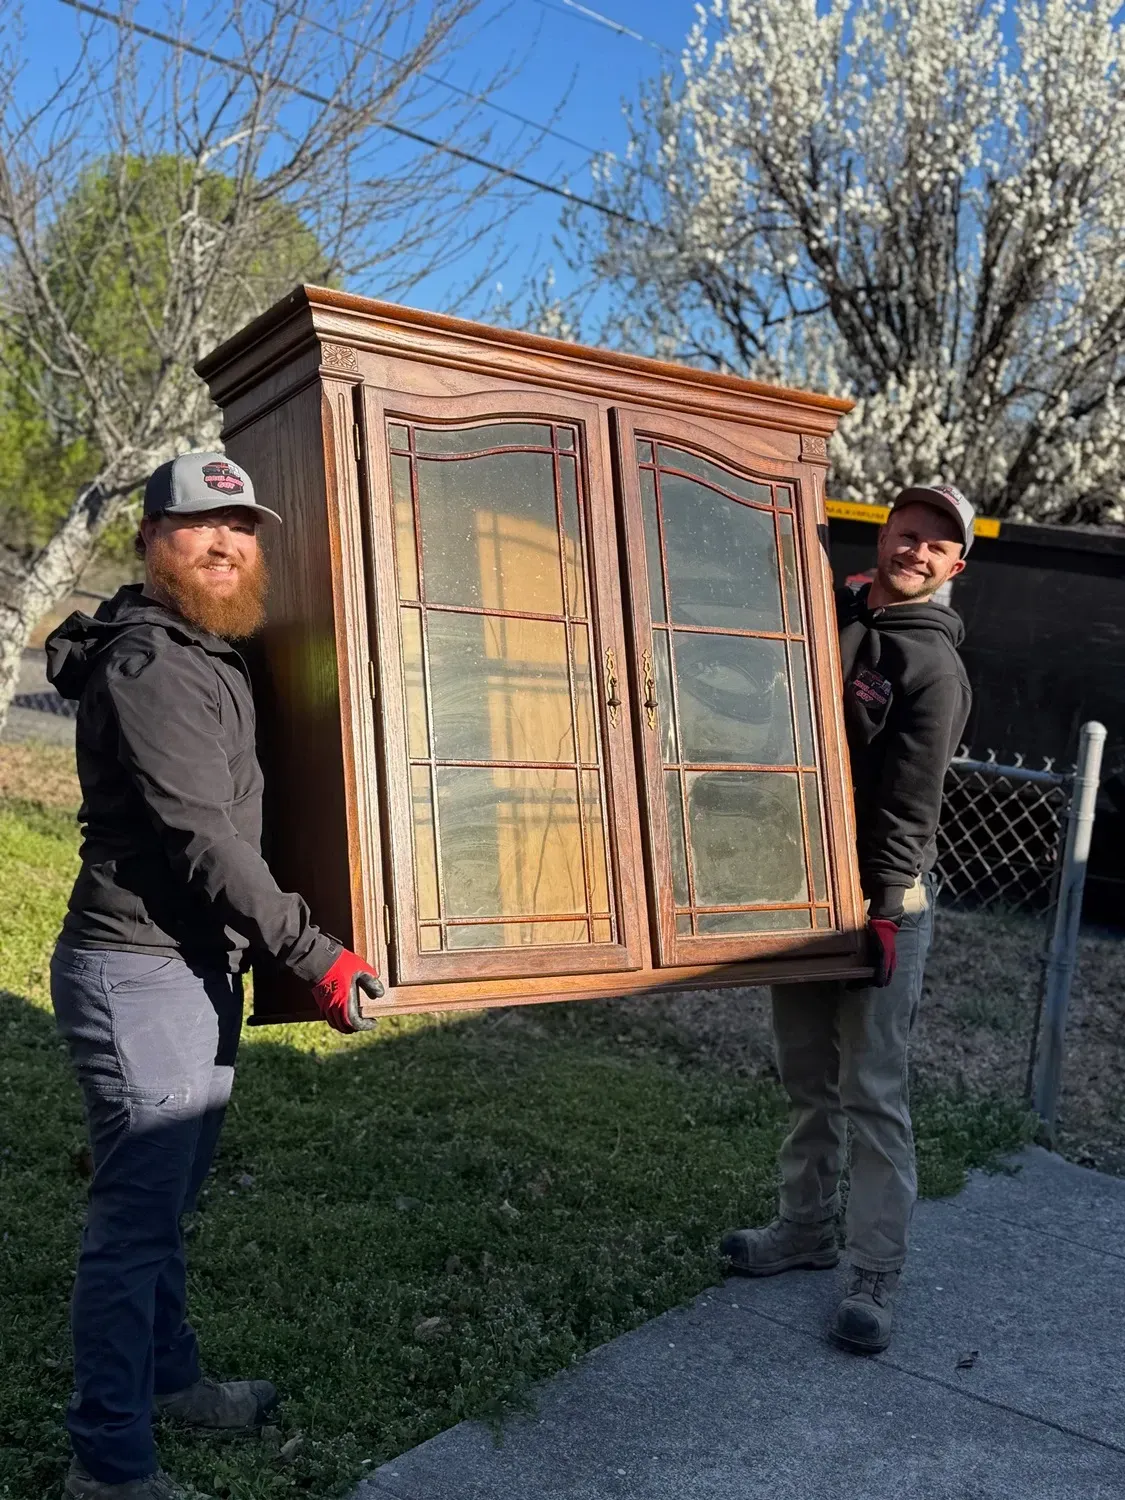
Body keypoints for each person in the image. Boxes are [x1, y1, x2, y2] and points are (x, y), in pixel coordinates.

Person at [45, 453, 383, 1500]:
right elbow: (205, 840)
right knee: (134, 1224)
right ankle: (108, 1466)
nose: (226, 544)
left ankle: (171, 1380)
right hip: (140, 972)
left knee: (163, 1202)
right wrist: (317, 957)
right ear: (153, 539)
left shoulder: (208, 650)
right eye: (200, 525)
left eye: (241, 528)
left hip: (192, 969)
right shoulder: (153, 665)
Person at [721, 483, 974, 1354]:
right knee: (806, 1077)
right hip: (804, 888)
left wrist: (886, 911)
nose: (916, 549)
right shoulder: (834, 615)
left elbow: (911, 804)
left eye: (936, 544)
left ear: (954, 566)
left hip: (880, 902)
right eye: (909, 531)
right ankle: (803, 1230)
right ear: (886, 532)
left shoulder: (932, 668)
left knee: (871, 1092)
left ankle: (874, 1272)